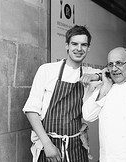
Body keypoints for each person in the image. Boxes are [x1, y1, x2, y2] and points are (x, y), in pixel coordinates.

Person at [23, 25, 101, 162]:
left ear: (88, 48)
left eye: (84, 45)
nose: (79, 49)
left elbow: (112, 74)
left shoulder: (88, 72)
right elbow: (31, 110)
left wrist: (97, 77)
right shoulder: (47, 70)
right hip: (50, 146)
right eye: (74, 44)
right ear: (67, 46)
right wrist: (47, 144)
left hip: (77, 147)